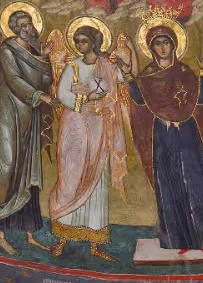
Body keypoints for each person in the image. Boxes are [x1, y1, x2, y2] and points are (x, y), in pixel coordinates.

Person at [120, 15, 203, 252]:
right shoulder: (148, 74)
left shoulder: (185, 71)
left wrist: (202, 72)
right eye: (157, 44)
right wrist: (130, 76)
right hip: (163, 135)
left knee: (195, 181)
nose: (162, 47)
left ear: (174, 45)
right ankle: (179, 239)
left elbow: (201, 99)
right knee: (170, 184)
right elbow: (140, 100)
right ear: (152, 48)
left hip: (187, 132)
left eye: (166, 42)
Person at [49, 20, 128, 261]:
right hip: (74, 126)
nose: (80, 45)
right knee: (70, 177)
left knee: (97, 180)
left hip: (99, 127)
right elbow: (62, 94)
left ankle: (95, 242)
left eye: (84, 41)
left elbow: (124, 78)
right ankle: (62, 237)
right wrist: (86, 98)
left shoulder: (106, 66)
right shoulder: (72, 66)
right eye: (77, 41)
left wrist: (128, 56)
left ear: (94, 42)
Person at [0, 5, 55, 256]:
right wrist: (39, 96)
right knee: (6, 164)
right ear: (14, 28)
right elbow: (13, 79)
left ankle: (29, 233)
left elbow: (46, 81)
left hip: (29, 114)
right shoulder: (7, 49)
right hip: (6, 110)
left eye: (29, 24)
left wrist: (44, 58)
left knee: (27, 170)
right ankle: (0, 233)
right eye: (21, 25)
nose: (27, 28)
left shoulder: (35, 52)